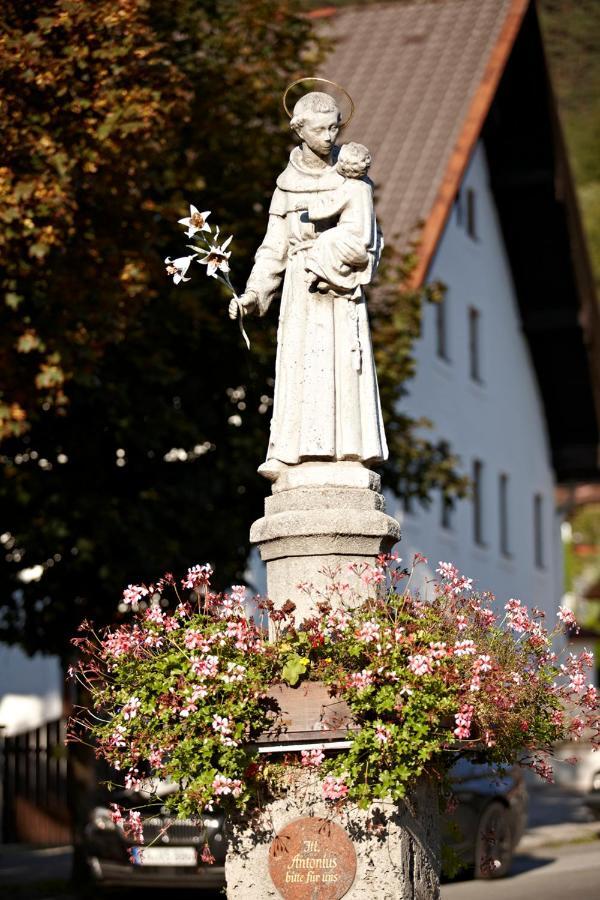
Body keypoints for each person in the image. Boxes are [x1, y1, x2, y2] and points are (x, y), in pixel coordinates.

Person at [228, 92, 388, 481]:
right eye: (320, 129)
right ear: (299, 130)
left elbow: (370, 237)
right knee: (299, 367)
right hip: (301, 290)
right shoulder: (286, 185)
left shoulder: (351, 179)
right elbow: (273, 247)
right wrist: (252, 294)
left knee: (342, 366)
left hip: (339, 290)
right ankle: (288, 455)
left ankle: (349, 455)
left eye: (335, 126)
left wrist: (340, 253)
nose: (330, 136)